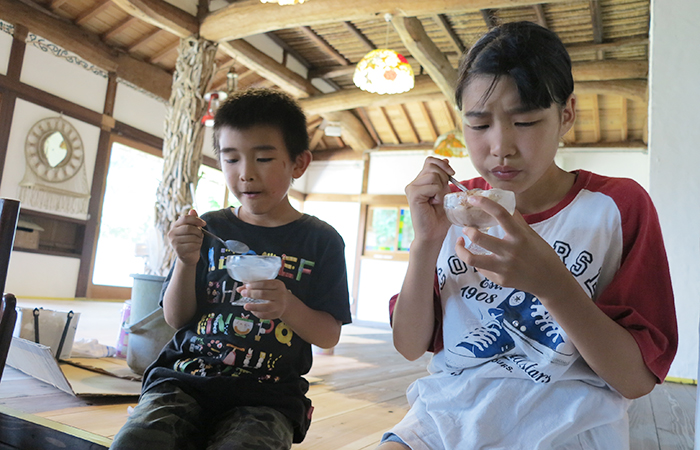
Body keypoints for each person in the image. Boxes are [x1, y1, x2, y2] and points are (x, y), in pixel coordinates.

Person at [379, 21, 677, 450]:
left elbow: (635, 381)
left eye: (525, 121)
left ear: (566, 115)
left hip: (568, 424)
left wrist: (553, 285)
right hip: (445, 416)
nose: (500, 146)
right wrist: (425, 243)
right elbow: (409, 346)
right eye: (479, 125)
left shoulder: (615, 207)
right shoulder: (452, 206)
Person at [112, 89, 352, 450]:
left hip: (268, 395)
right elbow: (177, 319)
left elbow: (328, 335)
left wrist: (288, 306)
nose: (246, 174)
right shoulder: (209, 229)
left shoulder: (321, 240)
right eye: (231, 159)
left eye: (265, 158)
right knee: (135, 443)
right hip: (184, 379)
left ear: (298, 164)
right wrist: (185, 260)